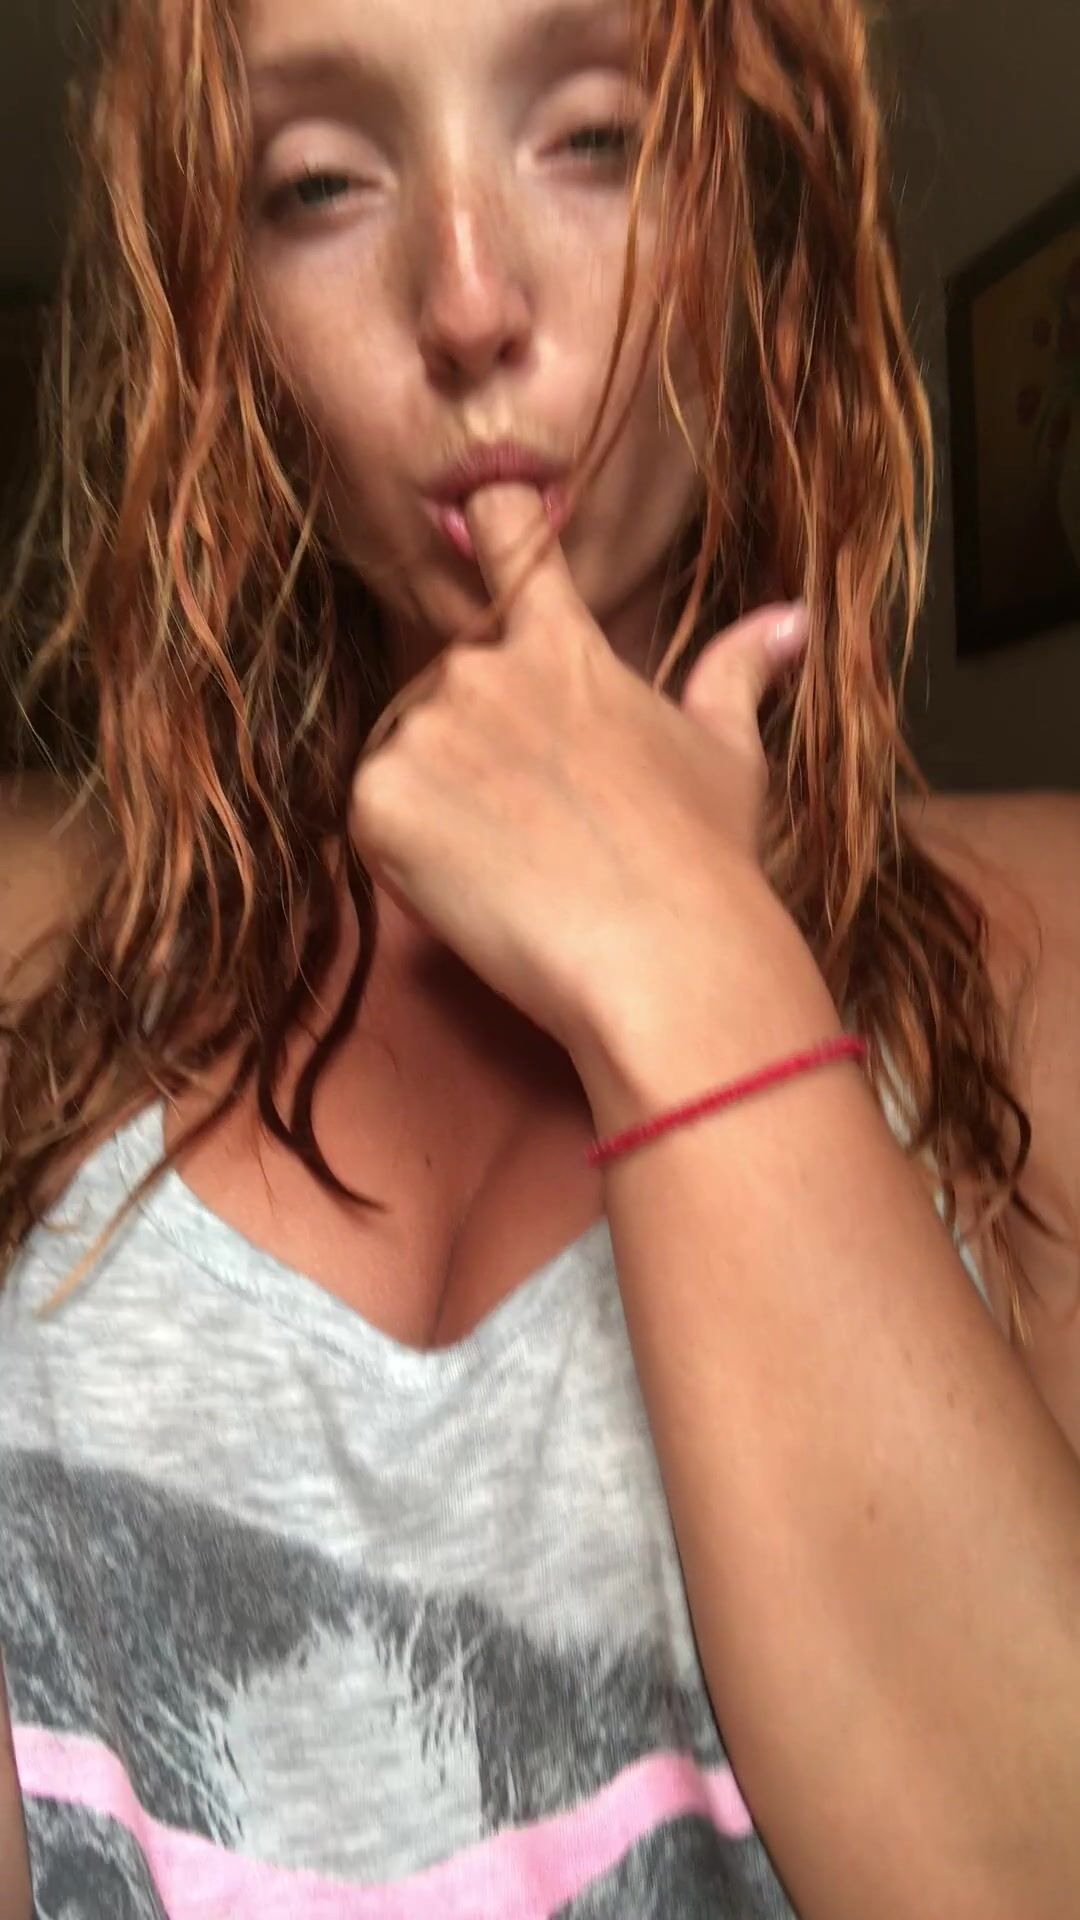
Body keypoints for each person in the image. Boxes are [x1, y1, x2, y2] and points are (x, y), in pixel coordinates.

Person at [0, 0, 1077, 1913]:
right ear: (221, 303)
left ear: (758, 204)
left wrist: (681, 964)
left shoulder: (1043, 958)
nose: (470, 302)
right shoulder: (31, 940)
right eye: (318, 183)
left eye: (595, 138)